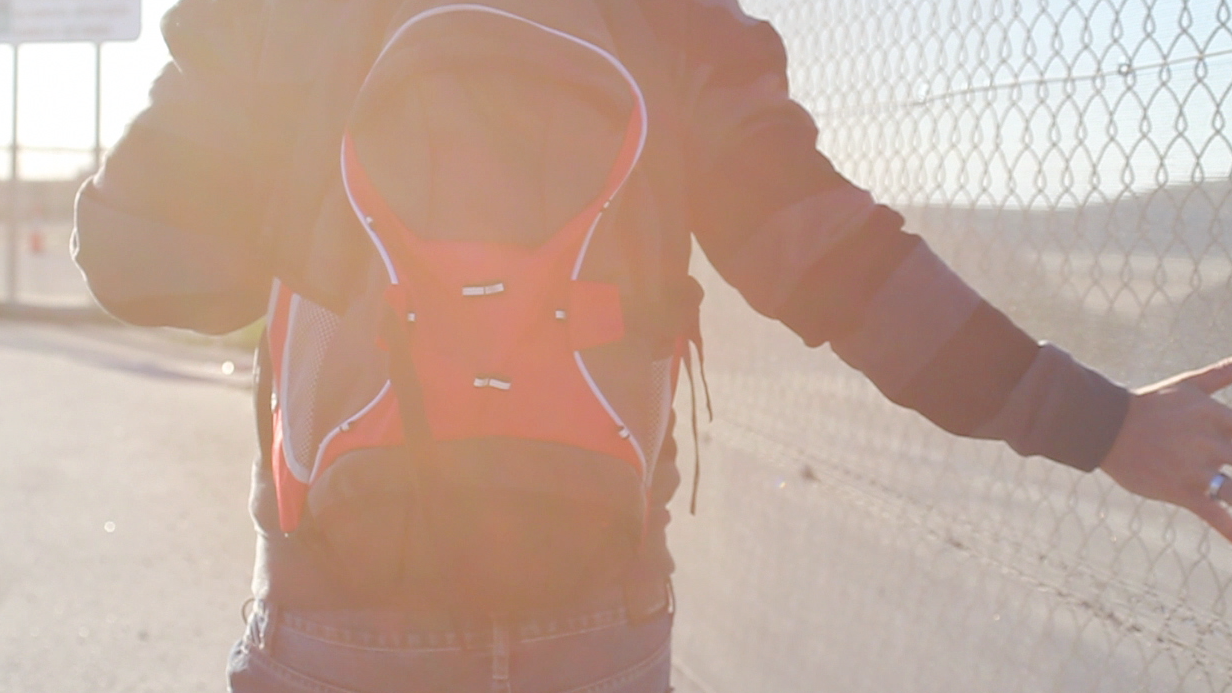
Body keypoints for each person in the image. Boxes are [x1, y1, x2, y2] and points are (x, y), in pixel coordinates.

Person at [72, 0, 1232, 691]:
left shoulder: (292, 17)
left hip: (340, 608)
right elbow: (837, 266)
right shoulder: (672, 21)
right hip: (595, 614)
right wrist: (1104, 424)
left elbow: (139, 262)